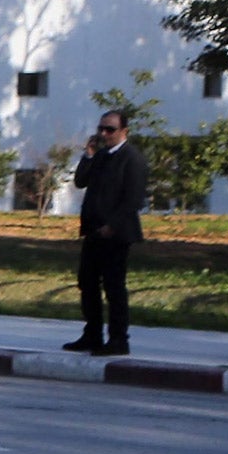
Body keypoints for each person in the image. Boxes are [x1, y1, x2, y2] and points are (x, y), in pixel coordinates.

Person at [66, 109, 149, 357]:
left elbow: (133, 199)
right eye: (101, 128)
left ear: (124, 131)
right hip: (93, 232)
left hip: (116, 234)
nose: (104, 134)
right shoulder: (101, 156)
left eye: (110, 129)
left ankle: (118, 340)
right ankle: (92, 334)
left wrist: (112, 225)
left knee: (114, 288)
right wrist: (88, 155)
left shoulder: (132, 158)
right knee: (87, 283)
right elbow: (80, 181)